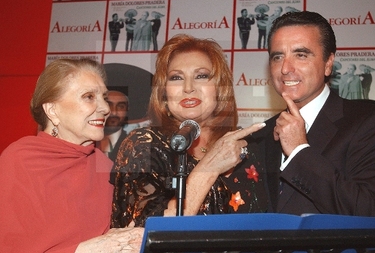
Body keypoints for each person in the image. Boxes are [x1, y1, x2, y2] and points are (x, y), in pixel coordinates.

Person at [111, 34, 268, 228]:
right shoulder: (144, 146)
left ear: (219, 88)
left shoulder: (246, 146)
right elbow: (143, 233)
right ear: (164, 93)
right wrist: (210, 167)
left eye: (201, 76)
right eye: (176, 77)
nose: (188, 88)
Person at [0, 58, 144, 252]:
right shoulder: (20, 161)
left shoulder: (105, 167)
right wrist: (86, 250)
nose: (105, 108)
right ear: (52, 110)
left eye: (103, 97)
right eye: (89, 97)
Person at [251, 11, 375, 216]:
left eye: (301, 55)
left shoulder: (366, 121)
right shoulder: (259, 135)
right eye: (278, 56)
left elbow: (368, 210)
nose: (285, 68)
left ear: (328, 63)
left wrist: (299, 151)